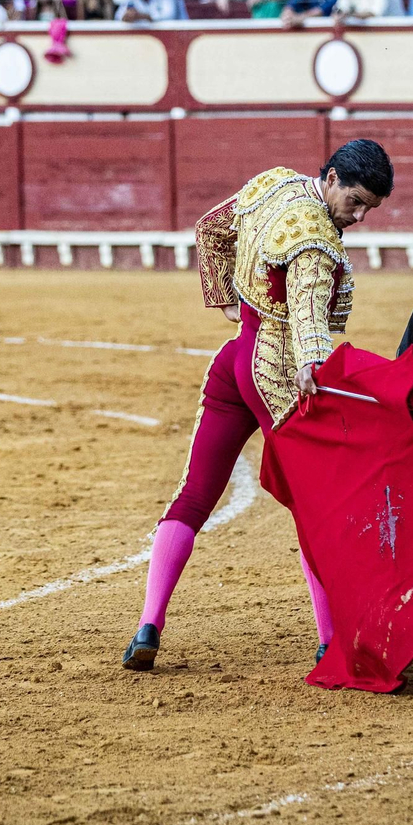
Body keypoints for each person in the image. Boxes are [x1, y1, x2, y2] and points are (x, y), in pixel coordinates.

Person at [122, 141, 396, 672]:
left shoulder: (273, 182)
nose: (358, 217)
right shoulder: (315, 240)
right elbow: (312, 327)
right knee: (319, 504)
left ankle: (147, 627)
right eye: (356, 201)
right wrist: (313, 367)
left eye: (370, 210)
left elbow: (211, 229)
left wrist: (227, 299)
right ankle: (330, 642)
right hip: (274, 371)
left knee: (195, 492)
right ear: (333, 177)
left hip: (233, 361)